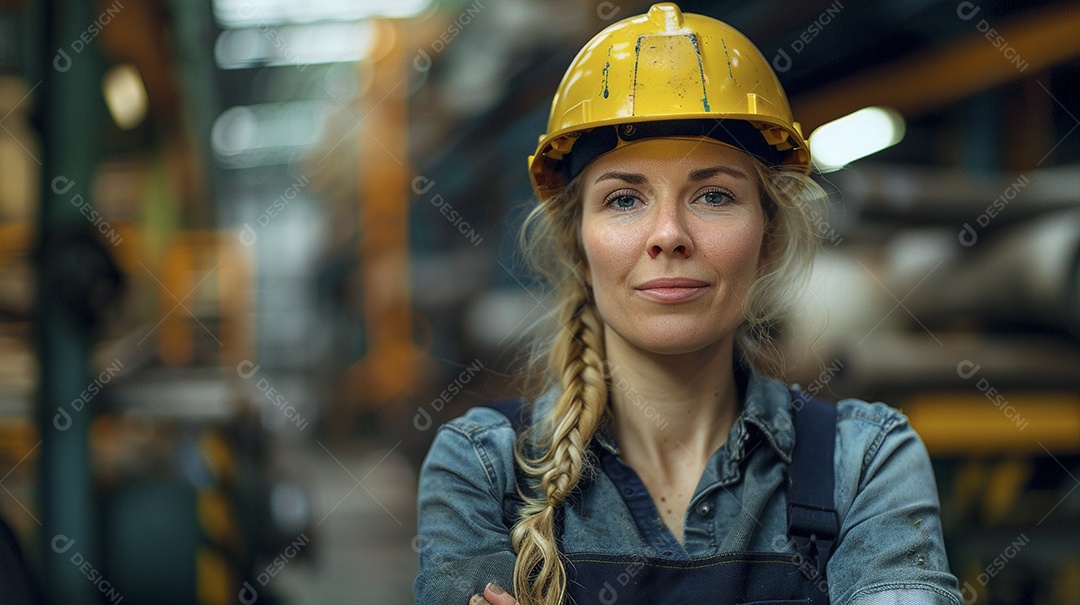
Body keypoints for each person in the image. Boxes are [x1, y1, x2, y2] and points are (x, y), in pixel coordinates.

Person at [414, 4, 963, 604]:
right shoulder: (482, 469)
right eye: (624, 200)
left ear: (767, 240)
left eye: (714, 195)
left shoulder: (866, 463)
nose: (668, 233)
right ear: (577, 243)